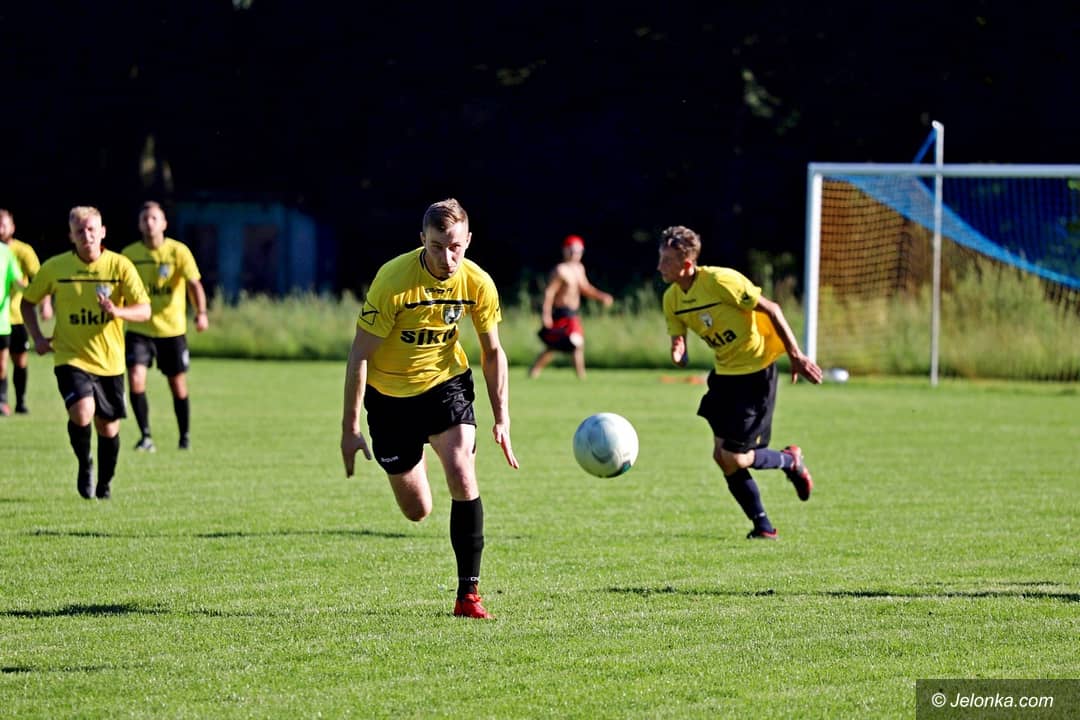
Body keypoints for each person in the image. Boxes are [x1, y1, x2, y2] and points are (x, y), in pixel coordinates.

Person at [340, 198, 519, 619]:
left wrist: (502, 418)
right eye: (437, 246)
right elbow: (359, 356)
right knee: (417, 510)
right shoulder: (393, 280)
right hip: (390, 398)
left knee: (461, 470)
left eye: (455, 246)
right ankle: (415, 453)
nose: (447, 257)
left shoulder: (478, 283)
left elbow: (493, 352)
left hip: (445, 385)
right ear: (422, 240)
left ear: (468, 240)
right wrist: (350, 429)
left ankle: (468, 596)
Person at [656, 225, 823, 540]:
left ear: (687, 265)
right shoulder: (672, 298)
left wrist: (796, 355)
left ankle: (789, 461)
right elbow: (679, 337)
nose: (659, 266)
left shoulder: (721, 281)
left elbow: (772, 309)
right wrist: (678, 350)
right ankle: (763, 527)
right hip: (724, 377)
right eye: (660, 258)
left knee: (734, 457)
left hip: (756, 374)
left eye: (666, 260)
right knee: (722, 457)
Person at [21, 206, 150, 500]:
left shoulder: (120, 266)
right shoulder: (56, 267)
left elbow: (144, 310)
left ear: (103, 232)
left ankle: (104, 482)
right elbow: (27, 302)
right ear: (71, 236)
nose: (86, 235)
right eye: (79, 231)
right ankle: (84, 463)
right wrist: (37, 337)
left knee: (108, 428)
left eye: (92, 229)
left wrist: (118, 311)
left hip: (110, 362)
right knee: (82, 412)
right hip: (71, 357)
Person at [121, 201, 209, 452]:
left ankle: (184, 436)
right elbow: (119, 288)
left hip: (172, 330)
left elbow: (194, 284)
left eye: (154, 218)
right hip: (139, 329)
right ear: (139, 225)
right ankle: (146, 436)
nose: (149, 223)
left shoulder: (178, 252)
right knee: (136, 379)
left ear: (164, 223)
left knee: (177, 384)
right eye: (145, 219)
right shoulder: (129, 254)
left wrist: (201, 313)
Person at [528, 234, 614, 379]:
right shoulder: (560, 270)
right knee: (574, 342)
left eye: (578, 251)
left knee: (560, 345)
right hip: (561, 313)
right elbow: (549, 293)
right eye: (572, 250)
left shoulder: (579, 269)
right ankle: (580, 376)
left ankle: (535, 371)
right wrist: (546, 315)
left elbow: (585, 288)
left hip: (572, 313)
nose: (575, 254)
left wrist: (602, 296)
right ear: (565, 251)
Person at [0, 209, 52, 415]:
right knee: (1, 363)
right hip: (2, 319)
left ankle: (21, 401)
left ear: (12, 227)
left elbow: (38, 280)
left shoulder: (22, 251)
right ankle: (2, 400)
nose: (0, 229)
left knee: (20, 360)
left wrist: (45, 303)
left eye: (3, 225)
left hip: (18, 315)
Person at [0, 238, 25, 415]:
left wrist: (33, 293)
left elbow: (16, 280)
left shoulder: (5, 252)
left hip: (2, 321)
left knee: (1, 365)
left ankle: (1, 400)